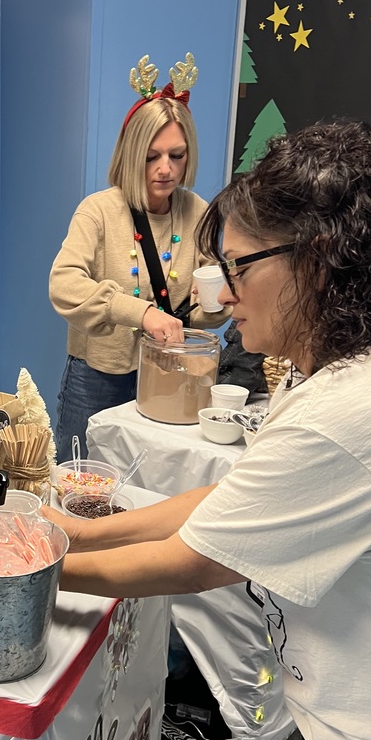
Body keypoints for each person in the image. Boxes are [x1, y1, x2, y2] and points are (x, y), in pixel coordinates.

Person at [46, 120, 371, 740]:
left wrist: (42, 570)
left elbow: (198, 559)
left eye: (240, 267)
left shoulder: (342, 413)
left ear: (317, 263)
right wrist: (85, 530)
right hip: (339, 722)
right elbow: (224, 499)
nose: (222, 295)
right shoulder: (323, 375)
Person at [49, 52, 230, 459]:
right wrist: (142, 313)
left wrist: (217, 303)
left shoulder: (197, 211)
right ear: (132, 153)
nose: (165, 168)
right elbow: (63, 286)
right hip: (99, 377)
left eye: (176, 155)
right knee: (82, 481)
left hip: (173, 372)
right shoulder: (98, 210)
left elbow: (201, 311)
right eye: (152, 156)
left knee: (154, 482)